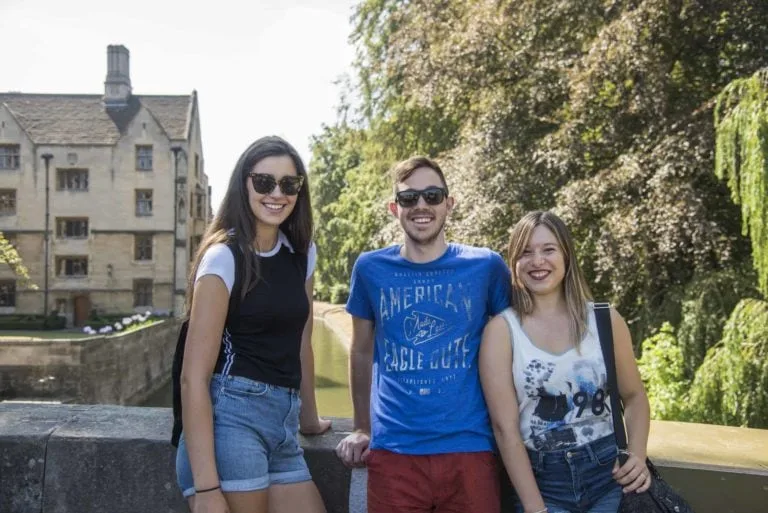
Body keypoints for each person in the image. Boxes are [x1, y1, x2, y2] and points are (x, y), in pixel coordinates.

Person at [335, 156, 512, 513]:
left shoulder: (487, 266)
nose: (421, 206)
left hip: (471, 447)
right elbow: (361, 351)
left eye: (432, 196)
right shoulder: (370, 268)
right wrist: (362, 428)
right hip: (394, 452)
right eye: (408, 198)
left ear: (449, 203)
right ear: (393, 208)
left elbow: (516, 346)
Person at [175, 136, 331, 513]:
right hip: (232, 420)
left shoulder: (301, 252)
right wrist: (208, 490)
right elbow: (192, 378)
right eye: (264, 182)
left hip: (283, 426)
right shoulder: (223, 258)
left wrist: (308, 418)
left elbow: (301, 343)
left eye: (289, 184)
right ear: (244, 183)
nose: (277, 193)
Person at [479, 210, 652, 513]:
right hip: (543, 485)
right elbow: (505, 428)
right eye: (526, 252)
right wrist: (535, 507)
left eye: (548, 249)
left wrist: (636, 455)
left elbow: (635, 396)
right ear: (514, 263)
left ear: (567, 256)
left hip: (610, 476)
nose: (537, 261)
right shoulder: (501, 332)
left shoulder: (604, 320)